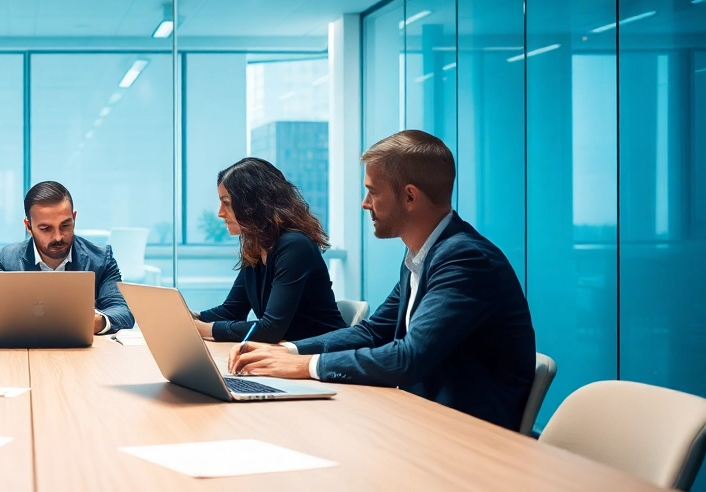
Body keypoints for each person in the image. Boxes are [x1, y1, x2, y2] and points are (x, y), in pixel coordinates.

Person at [228, 130, 535, 431]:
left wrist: (306, 366)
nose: (365, 203)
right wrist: (290, 351)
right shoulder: (421, 257)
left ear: (409, 197)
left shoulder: (465, 259)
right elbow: (374, 331)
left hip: (469, 435)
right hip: (421, 419)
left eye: (373, 191)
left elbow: (408, 357)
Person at [194, 158, 347, 344]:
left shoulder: (295, 246)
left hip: (322, 357)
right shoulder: (257, 246)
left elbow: (271, 329)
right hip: (286, 354)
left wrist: (205, 329)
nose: (220, 213)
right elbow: (232, 310)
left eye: (226, 203)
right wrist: (191, 317)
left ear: (252, 203)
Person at [0, 181, 132, 334]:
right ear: (29, 226)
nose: (58, 237)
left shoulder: (101, 259)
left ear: (74, 218)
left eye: (65, 225)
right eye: (46, 228)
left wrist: (99, 322)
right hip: (24, 351)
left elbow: (122, 312)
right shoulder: (7, 259)